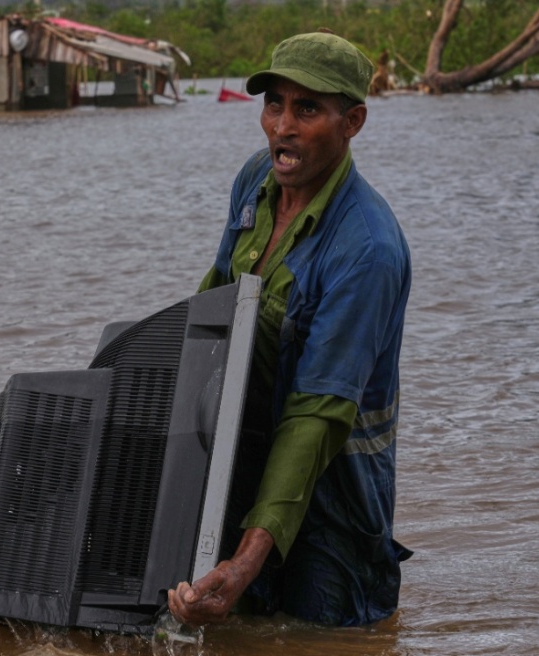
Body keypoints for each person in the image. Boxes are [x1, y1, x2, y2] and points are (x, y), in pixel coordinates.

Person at [168, 32, 412, 628]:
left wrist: (246, 560)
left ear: (352, 120)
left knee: (320, 635)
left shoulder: (367, 249)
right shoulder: (256, 179)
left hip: (336, 488)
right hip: (246, 453)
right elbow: (214, 306)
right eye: (275, 103)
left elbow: (316, 416)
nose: (283, 126)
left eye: (308, 109)